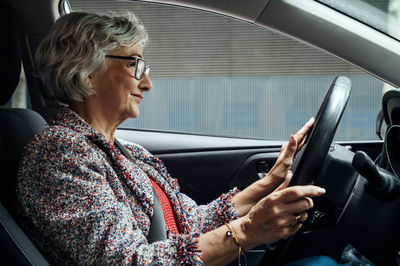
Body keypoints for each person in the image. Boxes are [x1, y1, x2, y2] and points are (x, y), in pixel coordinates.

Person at [16, 11, 326, 265]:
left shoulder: (126, 152)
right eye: (135, 65)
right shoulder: (60, 155)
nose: (147, 83)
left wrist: (269, 183)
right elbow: (130, 262)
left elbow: (188, 221)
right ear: (85, 71)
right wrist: (247, 231)